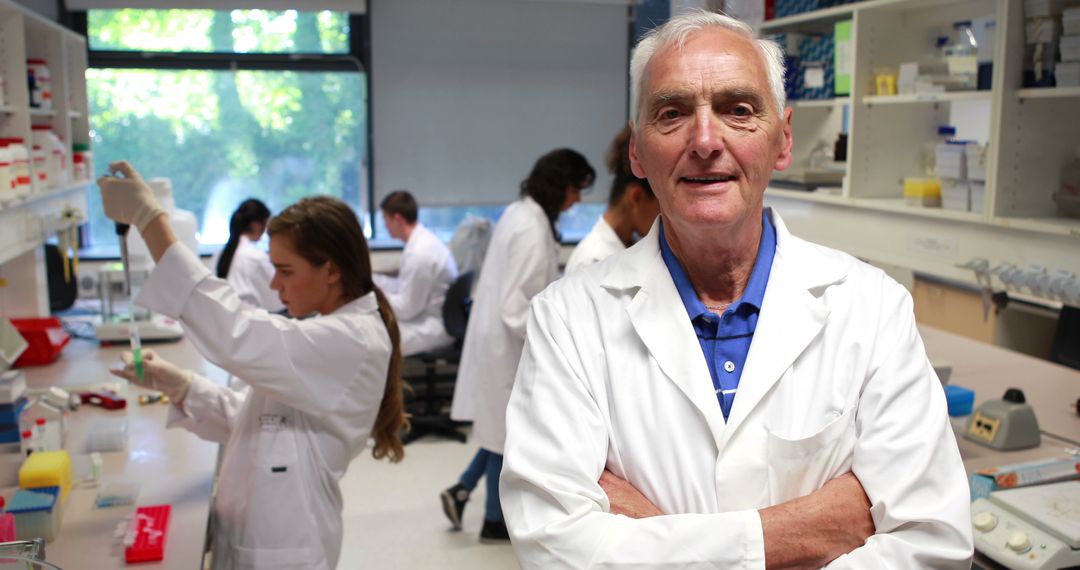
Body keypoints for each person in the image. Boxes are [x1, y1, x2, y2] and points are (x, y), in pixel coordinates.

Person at [500, 12, 973, 569]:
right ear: (636, 152)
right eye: (672, 113)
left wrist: (660, 538)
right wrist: (798, 533)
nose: (705, 140)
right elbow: (554, 549)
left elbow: (933, 545)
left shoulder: (872, 307)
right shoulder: (568, 318)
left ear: (783, 139)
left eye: (738, 110)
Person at [100, 162, 408, 570]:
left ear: (331, 270)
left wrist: (150, 220)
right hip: (262, 535)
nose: (273, 285)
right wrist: (180, 385)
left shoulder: (351, 341)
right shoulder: (326, 331)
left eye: (284, 271)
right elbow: (253, 421)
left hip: (288, 547)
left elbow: (236, 333)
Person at [442, 149, 595, 542]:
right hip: (508, 346)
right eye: (576, 190)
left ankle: (463, 489)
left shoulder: (523, 212)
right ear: (559, 185)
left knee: (498, 432)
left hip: (498, 343)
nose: (577, 199)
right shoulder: (531, 225)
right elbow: (516, 308)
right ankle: (494, 522)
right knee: (505, 435)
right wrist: (559, 341)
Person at [373, 190, 459, 356]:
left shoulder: (420, 253)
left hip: (431, 326)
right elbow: (403, 285)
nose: (385, 226)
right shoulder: (420, 242)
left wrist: (377, 295)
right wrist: (374, 280)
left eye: (386, 220)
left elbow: (407, 308)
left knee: (377, 340)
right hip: (427, 317)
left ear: (397, 219)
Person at [565, 126, 661, 273]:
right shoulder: (593, 261)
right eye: (662, 207)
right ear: (636, 197)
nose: (665, 218)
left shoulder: (629, 246)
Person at [210, 198, 284, 312]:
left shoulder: (218, 255)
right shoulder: (256, 257)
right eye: (265, 225)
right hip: (250, 321)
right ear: (256, 225)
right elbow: (277, 300)